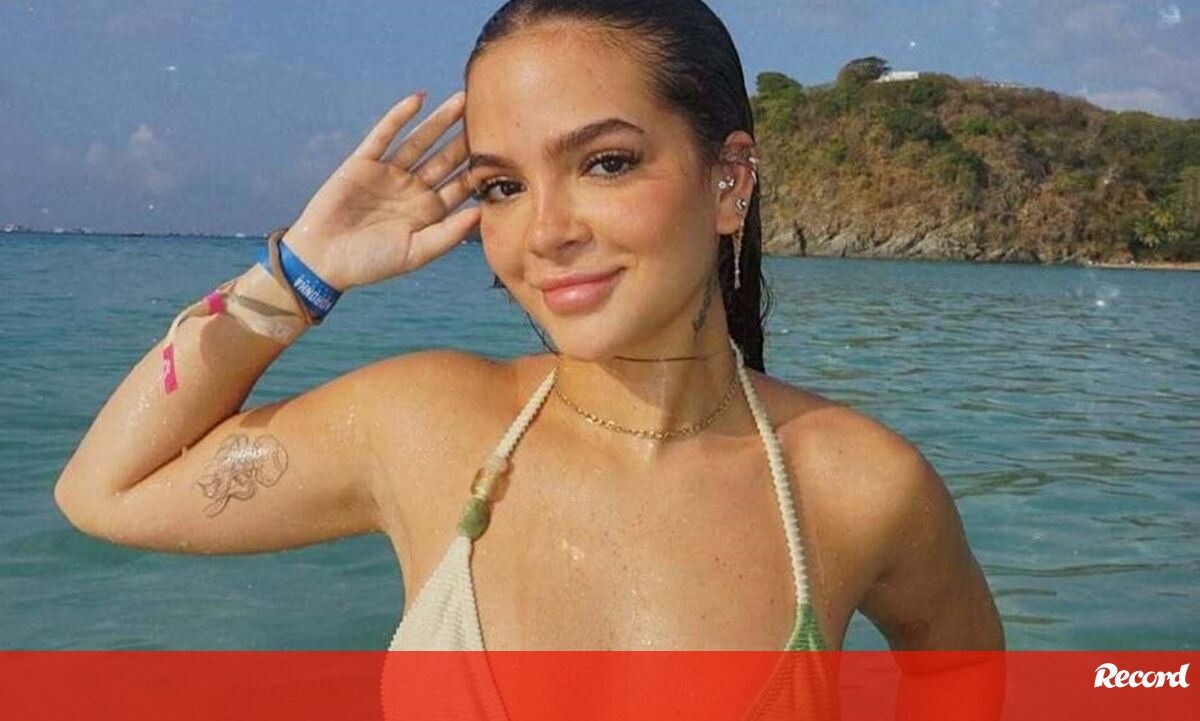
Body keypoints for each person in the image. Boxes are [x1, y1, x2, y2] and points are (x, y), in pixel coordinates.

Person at [55, 0, 1002, 676]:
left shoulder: (855, 485)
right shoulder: (426, 428)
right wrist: (302, 271)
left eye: (606, 162)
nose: (545, 231)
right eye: (503, 186)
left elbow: (963, 673)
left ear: (729, 181)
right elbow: (106, 491)